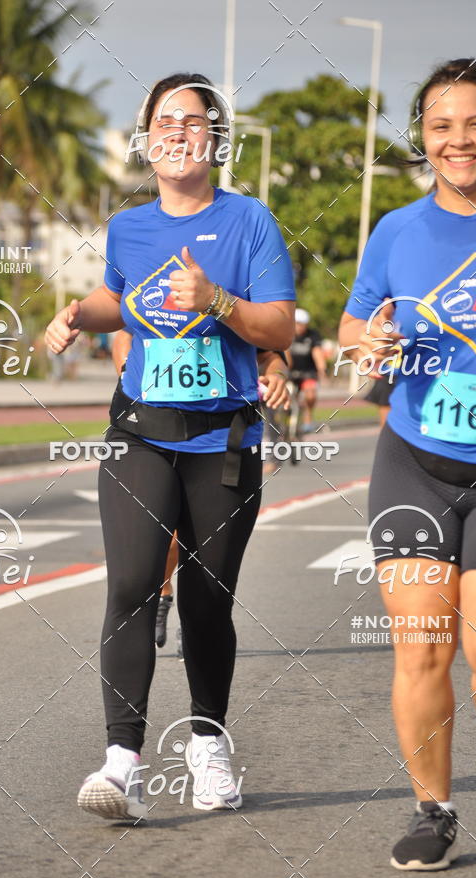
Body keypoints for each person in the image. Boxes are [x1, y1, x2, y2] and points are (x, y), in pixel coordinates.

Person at [45, 72, 296, 821]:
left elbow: (280, 325)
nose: (178, 130)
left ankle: (208, 744)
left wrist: (216, 301)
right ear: (146, 139)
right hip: (141, 431)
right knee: (129, 585)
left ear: (216, 141)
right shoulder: (129, 227)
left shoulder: (250, 221)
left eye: (194, 120)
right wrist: (78, 313)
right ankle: (121, 761)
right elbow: (120, 298)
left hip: (223, 440)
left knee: (206, 601)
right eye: (165, 119)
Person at [338, 58, 476, 871]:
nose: (459, 140)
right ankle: (434, 810)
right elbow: (353, 327)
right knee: (423, 644)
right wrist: (370, 341)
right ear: (423, 136)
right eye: (442, 125)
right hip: (414, 461)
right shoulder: (397, 230)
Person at [112, 329, 291, 656]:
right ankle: (163, 591)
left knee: (196, 542)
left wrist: (277, 377)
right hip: (154, 431)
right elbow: (125, 334)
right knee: (163, 535)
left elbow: (271, 354)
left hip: (216, 439)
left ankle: (193, 619)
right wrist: (127, 369)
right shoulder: (151, 300)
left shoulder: (233, 303)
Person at [287, 308, 327, 431]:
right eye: (297, 323)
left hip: (308, 372)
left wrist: (322, 370)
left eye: (303, 324)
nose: (300, 327)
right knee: (287, 395)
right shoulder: (286, 333)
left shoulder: (312, 335)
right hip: (290, 371)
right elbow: (284, 353)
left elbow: (317, 353)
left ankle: (308, 416)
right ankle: (286, 421)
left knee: (310, 395)